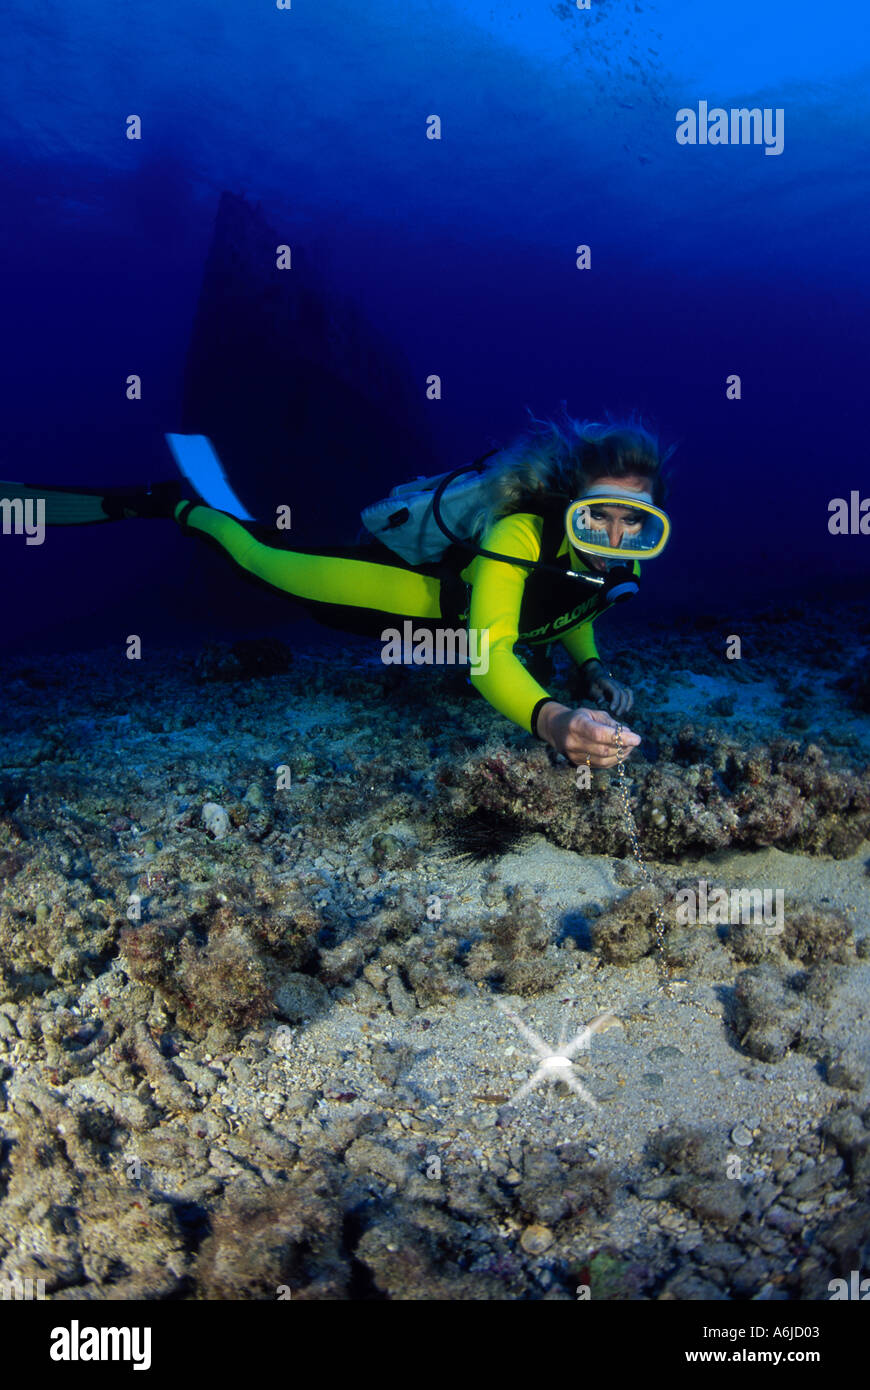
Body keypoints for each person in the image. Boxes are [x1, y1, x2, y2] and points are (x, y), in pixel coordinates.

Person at [5, 411, 672, 769]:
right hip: (397, 596)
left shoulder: (625, 560)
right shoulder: (523, 533)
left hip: (429, 634)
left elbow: (571, 606)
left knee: (277, 572)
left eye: (632, 522)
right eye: (596, 516)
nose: (611, 537)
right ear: (567, 505)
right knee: (262, 558)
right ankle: (172, 504)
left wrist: (589, 667)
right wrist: (553, 721)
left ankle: (198, 505)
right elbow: (488, 652)